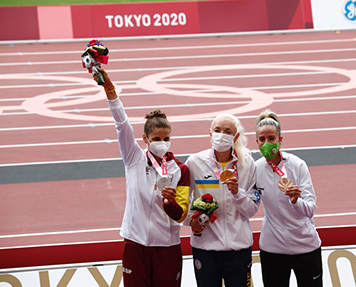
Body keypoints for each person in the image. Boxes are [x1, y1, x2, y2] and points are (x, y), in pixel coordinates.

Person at [94, 68, 190, 287]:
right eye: (156, 138)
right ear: (145, 139)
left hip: (167, 247)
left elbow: (182, 216)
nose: (162, 142)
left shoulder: (180, 170)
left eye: (166, 138)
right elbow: (122, 125)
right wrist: (110, 89)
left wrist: (170, 203)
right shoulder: (133, 159)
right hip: (136, 245)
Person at [185, 113, 261, 287]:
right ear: (210, 134)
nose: (221, 135)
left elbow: (251, 210)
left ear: (236, 136)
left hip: (239, 249)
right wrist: (192, 221)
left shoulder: (247, 164)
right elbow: (184, 202)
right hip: (205, 248)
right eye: (217, 130)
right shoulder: (194, 162)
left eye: (228, 131)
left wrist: (237, 193)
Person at [254, 110, 322, 287]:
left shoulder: (297, 165)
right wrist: (236, 193)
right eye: (262, 139)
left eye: (271, 138)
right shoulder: (256, 169)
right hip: (272, 248)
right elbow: (249, 207)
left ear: (280, 140)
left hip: (305, 246)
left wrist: (296, 201)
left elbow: (310, 209)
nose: (266, 143)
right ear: (257, 142)